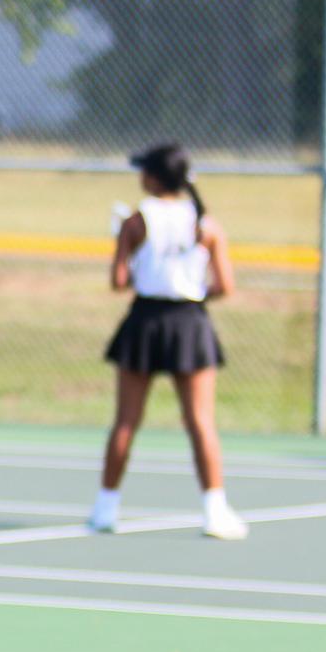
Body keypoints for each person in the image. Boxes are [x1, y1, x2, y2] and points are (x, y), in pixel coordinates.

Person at [91, 143, 247, 541]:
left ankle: (105, 508)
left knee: (126, 421)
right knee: (200, 422)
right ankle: (215, 511)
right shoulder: (206, 223)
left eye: (144, 170)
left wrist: (124, 248)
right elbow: (224, 286)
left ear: (155, 178)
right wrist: (191, 292)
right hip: (190, 322)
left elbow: (118, 282)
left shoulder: (136, 220)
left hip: (145, 320)